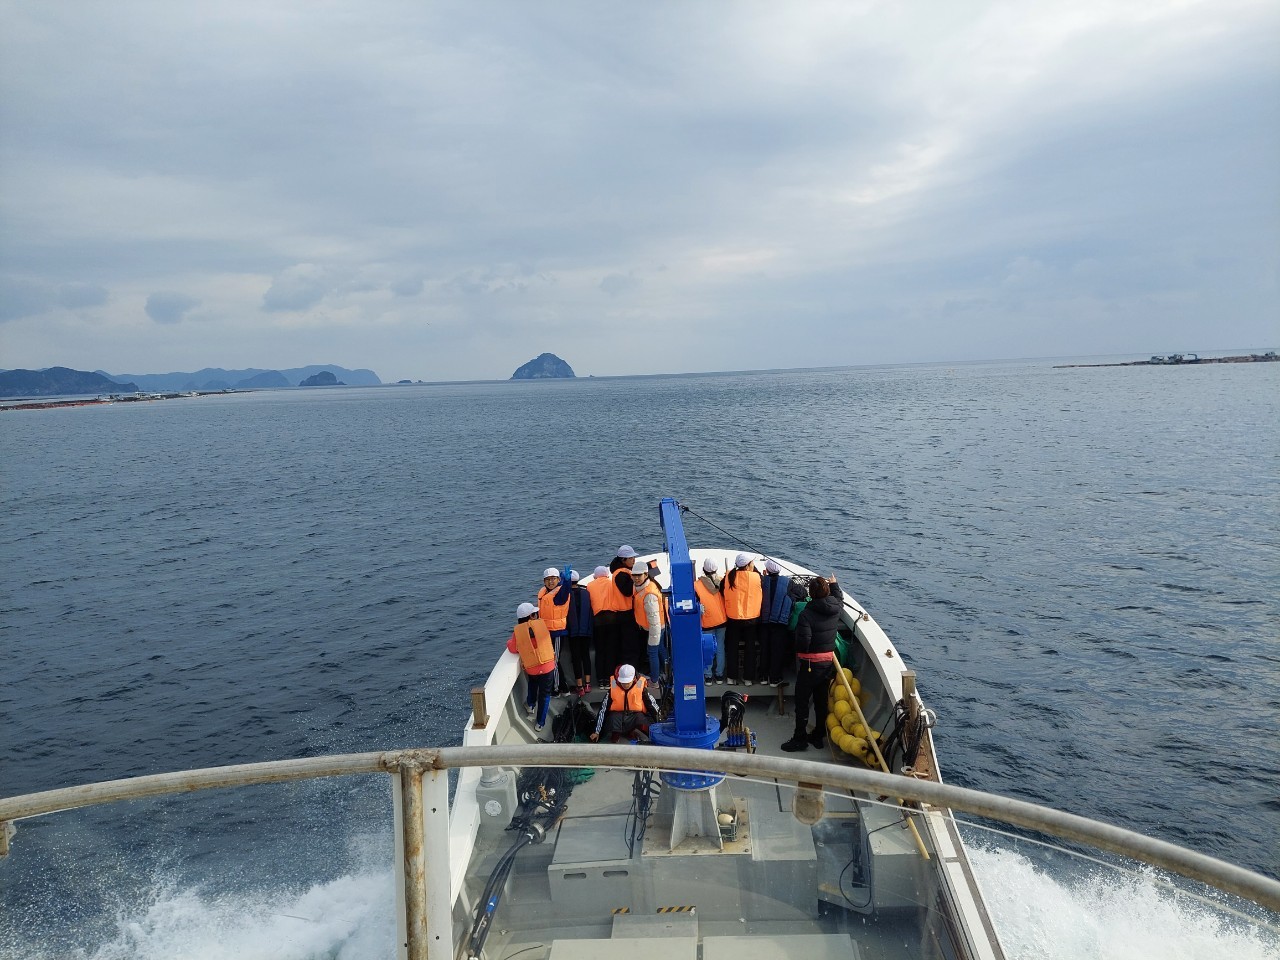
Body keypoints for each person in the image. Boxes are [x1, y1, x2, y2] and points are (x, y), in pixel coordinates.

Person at [782, 574, 845, 752]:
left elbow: (803, 642)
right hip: (827, 663)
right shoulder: (835, 607)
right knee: (820, 701)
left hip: (810, 664)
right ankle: (818, 735)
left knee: (802, 701)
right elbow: (839, 597)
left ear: (811, 593)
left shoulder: (806, 614)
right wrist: (835, 584)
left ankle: (799, 738)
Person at [506, 601, 557, 732]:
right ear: (531, 616)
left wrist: (509, 642)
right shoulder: (541, 625)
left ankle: (530, 705)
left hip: (532, 668)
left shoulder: (518, 632)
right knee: (545, 695)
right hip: (547, 667)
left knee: (533, 685)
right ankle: (540, 723)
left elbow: (513, 648)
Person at [590, 663, 659, 743]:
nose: (625, 685)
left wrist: (660, 723)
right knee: (613, 718)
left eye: (627, 682)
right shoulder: (613, 689)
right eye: (623, 682)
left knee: (642, 720)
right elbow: (603, 710)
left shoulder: (641, 689)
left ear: (633, 679)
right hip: (618, 718)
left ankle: (635, 733)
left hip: (634, 716)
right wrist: (597, 732)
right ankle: (615, 735)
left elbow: (652, 706)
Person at [721, 552, 763, 685]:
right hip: (751, 619)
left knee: (732, 647)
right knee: (750, 648)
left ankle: (731, 677)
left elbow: (722, 589)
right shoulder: (757, 577)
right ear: (748, 565)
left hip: (733, 618)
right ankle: (748, 678)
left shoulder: (729, 576)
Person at [632, 562, 668, 687]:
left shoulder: (649, 594)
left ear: (646, 575)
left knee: (652, 651)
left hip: (655, 628)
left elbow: (654, 619)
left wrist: (653, 638)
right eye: (634, 575)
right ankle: (667, 673)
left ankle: (654, 680)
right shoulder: (647, 587)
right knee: (661, 649)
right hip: (658, 626)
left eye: (639, 575)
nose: (636, 578)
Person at [759, 558, 794, 686]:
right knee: (777, 650)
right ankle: (775, 678)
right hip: (780, 622)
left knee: (765, 649)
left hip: (764, 622)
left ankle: (763, 676)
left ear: (767, 570)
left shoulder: (762, 581)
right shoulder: (788, 582)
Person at [537, 566, 572, 694]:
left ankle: (559, 688)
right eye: (548, 579)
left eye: (553, 579)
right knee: (549, 660)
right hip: (545, 632)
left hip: (557, 632)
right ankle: (558, 686)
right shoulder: (543, 592)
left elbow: (566, 590)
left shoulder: (560, 594)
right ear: (544, 581)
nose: (551, 582)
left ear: (558, 580)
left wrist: (567, 580)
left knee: (554, 661)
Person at [694, 557, 727, 684]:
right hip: (722, 619)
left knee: (707, 648)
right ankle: (719, 676)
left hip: (706, 622)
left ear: (703, 570)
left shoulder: (696, 585)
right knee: (720, 647)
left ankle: (708, 676)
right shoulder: (722, 582)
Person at [586, 564, 619, 685]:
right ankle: (611, 679)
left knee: (600, 651)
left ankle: (601, 680)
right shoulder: (612, 583)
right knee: (611, 650)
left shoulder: (590, 585)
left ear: (595, 576)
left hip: (597, 621)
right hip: (612, 619)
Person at [565, 569, 594, 695]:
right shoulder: (586, 593)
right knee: (585, 656)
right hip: (586, 630)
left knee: (576, 657)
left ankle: (579, 686)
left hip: (573, 631)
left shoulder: (566, 594)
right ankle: (588, 684)